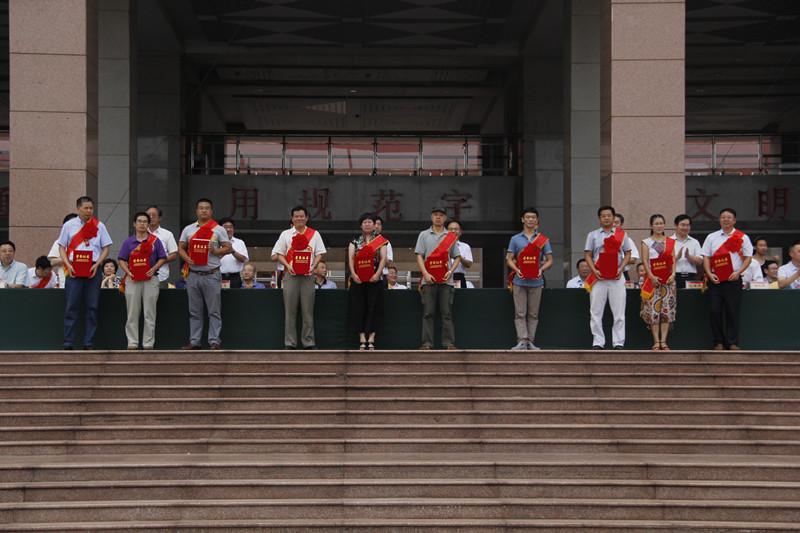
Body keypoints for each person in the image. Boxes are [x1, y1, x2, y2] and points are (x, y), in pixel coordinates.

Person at [57, 196, 113, 350]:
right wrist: (68, 264)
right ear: (78, 209)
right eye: (86, 208)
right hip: (74, 268)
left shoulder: (99, 225)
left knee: (92, 307)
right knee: (71, 306)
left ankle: (88, 343)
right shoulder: (69, 225)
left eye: (91, 208)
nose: (89, 211)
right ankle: (68, 342)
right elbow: (61, 246)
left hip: (93, 269)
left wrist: (98, 264)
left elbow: (106, 248)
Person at [178, 198, 232, 350]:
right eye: (201, 208)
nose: (204, 210)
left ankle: (214, 341)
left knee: (214, 311)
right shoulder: (188, 229)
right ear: (196, 211)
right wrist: (186, 258)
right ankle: (195, 341)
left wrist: (215, 250)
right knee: (194, 311)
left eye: (207, 208)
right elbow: (181, 248)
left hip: (211, 274)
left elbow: (228, 248)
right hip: (193, 274)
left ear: (211, 211)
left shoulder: (218, 229)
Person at [274, 205, 326, 350]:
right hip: (291, 275)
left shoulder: (314, 234)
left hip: (308, 275)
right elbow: (279, 254)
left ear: (307, 218)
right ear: (292, 218)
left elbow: (320, 253)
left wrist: (314, 266)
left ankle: (308, 342)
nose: (299, 219)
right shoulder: (285, 234)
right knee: (290, 311)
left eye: (302, 216)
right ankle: (290, 343)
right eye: (296, 216)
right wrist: (287, 266)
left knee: (307, 310)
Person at [701, 207, 754, 350]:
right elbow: (706, 257)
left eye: (729, 217)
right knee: (714, 310)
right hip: (715, 280)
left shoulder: (742, 237)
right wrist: (709, 273)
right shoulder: (711, 237)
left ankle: (732, 343)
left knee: (732, 311)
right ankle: (718, 341)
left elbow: (748, 258)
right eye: (723, 217)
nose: (726, 220)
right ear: (719, 220)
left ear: (734, 220)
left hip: (733, 279)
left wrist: (738, 272)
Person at [584, 205, 632, 350]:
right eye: (603, 216)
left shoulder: (622, 235)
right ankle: (598, 342)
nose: (606, 218)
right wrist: (594, 270)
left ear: (613, 217)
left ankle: (618, 342)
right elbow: (588, 254)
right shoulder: (593, 235)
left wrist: (621, 268)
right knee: (596, 312)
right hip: (598, 277)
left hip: (616, 277)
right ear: (599, 219)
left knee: (619, 313)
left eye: (609, 215)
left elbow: (628, 253)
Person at [117, 212, 168, 350]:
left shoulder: (155, 241)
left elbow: (163, 257)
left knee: (150, 313)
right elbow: (121, 259)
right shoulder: (128, 242)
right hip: (133, 279)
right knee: (132, 312)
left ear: (148, 224)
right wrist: (127, 271)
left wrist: (154, 268)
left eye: (145, 221)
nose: (142, 224)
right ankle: (132, 342)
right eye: (139, 221)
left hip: (151, 279)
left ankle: (148, 343)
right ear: (134, 224)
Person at [506, 207, 553, 350]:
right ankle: (522, 341)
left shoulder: (543, 240)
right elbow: (509, 259)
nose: (530, 219)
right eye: (528, 217)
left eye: (533, 217)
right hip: (519, 280)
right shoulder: (515, 239)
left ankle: (530, 341)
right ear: (522, 219)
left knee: (533, 314)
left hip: (536, 281)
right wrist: (517, 270)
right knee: (520, 313)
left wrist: (541, 269)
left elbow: (550, 260)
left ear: (537, 220)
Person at [415, 206, 461, 350]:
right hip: (428, 280)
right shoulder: (423, 235)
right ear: (431, 217)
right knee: (428, 313)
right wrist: (425, 273)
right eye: (435, 214)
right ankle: (427, 344)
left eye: (441, 215)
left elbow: (457, 257)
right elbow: (419, 255)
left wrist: (451, 271)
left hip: (446, 280)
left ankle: (449, 344)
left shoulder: (450, 237)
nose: (438, 217)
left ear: (445, 218)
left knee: (446, 313)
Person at [347, 212, 388, 350]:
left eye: (370, 222)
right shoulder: (355, 239)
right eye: (364, 222)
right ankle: (362, 338)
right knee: (358, 308)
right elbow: (351, 258)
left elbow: (383, 258)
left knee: (374, 308)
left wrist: (377, 274)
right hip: (358, 279)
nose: (367, 224)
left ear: (374, 224)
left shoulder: (380, 239)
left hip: (375, 279)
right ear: (361, 225)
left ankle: (371, 338)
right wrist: (353, 274)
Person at [640, 214, 677, 350]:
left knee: (666, 311)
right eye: (656, 223)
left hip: (668, 281)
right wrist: (651, 276)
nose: (659, 226)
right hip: (652, 281)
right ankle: (656, 341)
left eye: (661, 223)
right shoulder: (646, 242)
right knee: (653, 312)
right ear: (651, 226)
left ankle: (664, 341)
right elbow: (645, 261)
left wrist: (673, 274)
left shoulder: (670, 242)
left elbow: (673, 260)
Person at [146, 206, 178, 289]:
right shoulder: (140, 234)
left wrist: (157, 260)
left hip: (161, 276)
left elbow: (173, 255)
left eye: (154, 215)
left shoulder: (167, 234)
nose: (151, 217)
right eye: (149, 215)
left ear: (160, 218)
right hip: (143, 276)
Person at [670, 214, 703, 288]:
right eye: (682, 225)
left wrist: (689, 257)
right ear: (675, 226)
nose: (685, 228)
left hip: (691, 277)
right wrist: (676, 258)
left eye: (688, 225)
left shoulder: (694, 242)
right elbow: (665, 263)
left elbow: (700, 261)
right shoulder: (668, 241)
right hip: (674, 277)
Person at [48, 213, 78, 288]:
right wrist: (72, 259)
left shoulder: (87, 242)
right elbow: (53, 262)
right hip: (65, 280)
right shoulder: (59, 242)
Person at [218, 217, 248, 289]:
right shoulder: (215, 242)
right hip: (218, 277)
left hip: (235, 278)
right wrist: (225, 251)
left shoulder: (239, 242)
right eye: (225, 227)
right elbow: (211, 260)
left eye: (230, 227)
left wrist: (232, 250)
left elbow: (243, 259)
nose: (228, 229)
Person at [447, 220, 473, 288]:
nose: (453, 231)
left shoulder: (465, 246)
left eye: (456, 229)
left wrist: (458, 256)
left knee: (459, 294)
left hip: (458, 278)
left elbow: (469, 264)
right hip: (444, 278)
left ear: (460, 232)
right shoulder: (440, 246)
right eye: (450, 229)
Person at [614, 213, 639, 280]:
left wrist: (618, 259)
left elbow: (633, 259)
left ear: (621, 225)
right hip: (605, 274)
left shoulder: (627, 240)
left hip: (623, 273)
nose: (613, 225)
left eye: (616, 223)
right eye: (612, 222)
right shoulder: (602, 239)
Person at [374, 216, 394, 284]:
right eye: (375, 224)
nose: (376, 227)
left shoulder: (385, 242)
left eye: (379, 224)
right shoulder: (363, 241)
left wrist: (378, 254)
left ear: (381, 227)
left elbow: (388, 262)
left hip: (382, 276)